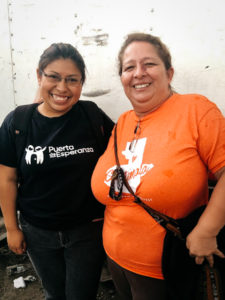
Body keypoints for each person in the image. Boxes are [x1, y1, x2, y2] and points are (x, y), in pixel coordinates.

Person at [91, 32, 225, 300]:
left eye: (149, 64)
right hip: (115, 261)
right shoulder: (123, 123)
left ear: (170, 73)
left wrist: (207, 230)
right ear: (122, 78)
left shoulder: (195, 109)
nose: (139, 73)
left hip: (167, 268)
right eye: (129, 67)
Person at [0, 43, 114, 300]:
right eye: (53, 77)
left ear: (81, 84)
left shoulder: (91, 116)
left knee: (81, 295)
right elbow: (7, 178)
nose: (62, 88)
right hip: (37, 232)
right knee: (53, 293)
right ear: (39, 76)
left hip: (87, 231)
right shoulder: (17, 122)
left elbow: (124, 150)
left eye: (72, 80)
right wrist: (12, 228)